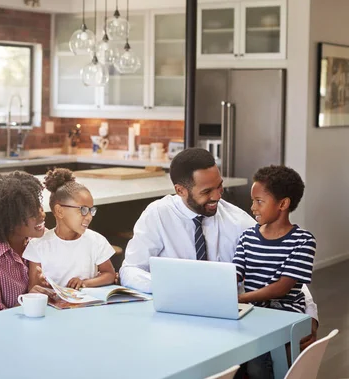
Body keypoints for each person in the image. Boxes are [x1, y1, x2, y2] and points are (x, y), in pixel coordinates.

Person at [119, 148, 319, 349]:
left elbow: (287, 273)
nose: (217, 196)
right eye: (206, 191)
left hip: (229, 326)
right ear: (180, 190)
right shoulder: (157, 215)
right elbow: (130, 270)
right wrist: (174, 287)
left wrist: (310, 316)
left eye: (219, 187)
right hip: (173, 323)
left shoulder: (238, 220)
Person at [232, 165, 316, 378]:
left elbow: (282, 287)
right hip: (252, 311)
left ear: (283, 204)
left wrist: (241, 298)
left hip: (284, 313)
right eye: (253, 201)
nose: (253, 208)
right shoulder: (247, 237)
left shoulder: (303, 241)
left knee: (258, 365)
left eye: (259, 201)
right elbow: (235, 273)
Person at [0, 171, 49, 316]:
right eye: (32, 214)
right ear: (10, 221)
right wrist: (28, 300)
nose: (42, 215)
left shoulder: (46, 240)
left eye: (39, 207)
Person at [24, 168, 116, 289]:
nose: (89, 217)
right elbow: (34, 288)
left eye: (91, 210)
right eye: (83, 210)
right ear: (59, 211)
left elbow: (109, 274)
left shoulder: (96, 241)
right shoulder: (38, 245)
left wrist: (85, 283)